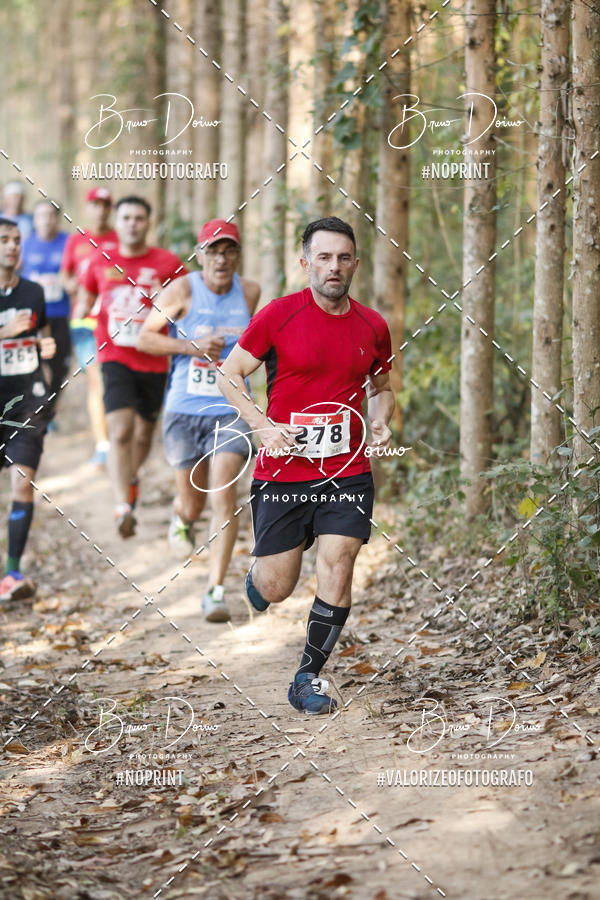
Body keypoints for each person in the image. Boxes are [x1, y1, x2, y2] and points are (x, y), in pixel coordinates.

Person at [220, 216, 395, 714]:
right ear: (306, 263)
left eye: (343, 258)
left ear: (355, 264)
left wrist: (380, 420)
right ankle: (257, 579)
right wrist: (262, 426)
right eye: (324, 257)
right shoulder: (278, 315)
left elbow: (383, 390)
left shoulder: (372, 325)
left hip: (347, 470)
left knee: (340, 565)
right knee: (278, 587)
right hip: (283, 473)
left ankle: (307, 677)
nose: (334, 267)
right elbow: (230, 376)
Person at [138, 219, 260, 623]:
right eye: (213, 250)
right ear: (201, 254)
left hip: (231, 410)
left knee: (223, 495)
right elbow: (145, 337)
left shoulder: (252, 293)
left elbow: (265, 347)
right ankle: (182, 518)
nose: (220, 258)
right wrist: (189, 345)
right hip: (185, 408)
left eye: (228, 250)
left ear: (238, 255)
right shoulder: (183, 289)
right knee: (193, 501)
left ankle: (215, 589)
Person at [76, 195, 186, 538]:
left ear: (148, 222)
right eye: (126, 217)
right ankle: (122, 504)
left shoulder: (169, 263)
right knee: (121, 430)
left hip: (154, 359)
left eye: (139, 217)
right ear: (117, 221)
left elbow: (187, 301)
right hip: (114, 356)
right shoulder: (99, 259)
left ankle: (131, 478)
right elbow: (87, 297)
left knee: (143, 434)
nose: (132, 223)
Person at [0, 218, 56, 602]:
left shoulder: (35, 292)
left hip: (27, 401)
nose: (12, 247)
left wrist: (46, 348)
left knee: (22, 482)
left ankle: (11, 573)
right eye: (4, 240)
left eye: (17, 240)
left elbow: (44, 337)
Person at [61, 187, 116, 467]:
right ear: (88, 208)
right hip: (84, 322)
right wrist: (74, 287)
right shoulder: (76, 241)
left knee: (113, 379)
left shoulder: (120, 240)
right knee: (96, 381)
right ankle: (103, 444)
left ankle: (118, 436)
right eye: (96, 204)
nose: (101, 210)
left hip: (114, 321)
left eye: (106, 205)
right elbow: (65, 275)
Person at [21, 200, 71, 423]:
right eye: (41, 215)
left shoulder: (68, 242)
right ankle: (35, 409)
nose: (46, 220)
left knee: (58, 367)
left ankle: (49, 411)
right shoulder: (25, 244)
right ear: (35, 220)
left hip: (60, 314)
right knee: (33, 364)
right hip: (33, 316)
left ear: (57, 218)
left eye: (51, 215)